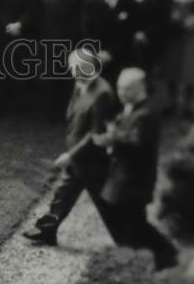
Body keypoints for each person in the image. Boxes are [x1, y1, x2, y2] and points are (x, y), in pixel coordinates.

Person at [23, 48, 121, 247]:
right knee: (63, 194)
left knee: (107, 205)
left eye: (73, 67)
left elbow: (95, 134)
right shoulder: (81, 83)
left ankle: (129, 241)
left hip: (93, 160)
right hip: (80, 158)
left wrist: (71, 154)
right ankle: (47, 231)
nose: (70, 71)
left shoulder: (103, 93)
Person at [94, 67, 178, 270]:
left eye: (128, 89)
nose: (122, 93)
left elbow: (136, 143)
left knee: (133, 226)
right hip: (123, 177)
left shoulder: (146, 114)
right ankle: (165, 255)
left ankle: (157, 257)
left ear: (141, 88)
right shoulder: (130, 108)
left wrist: (111, 138)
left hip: (134, 181)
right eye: (120, 88)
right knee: (133, 224)